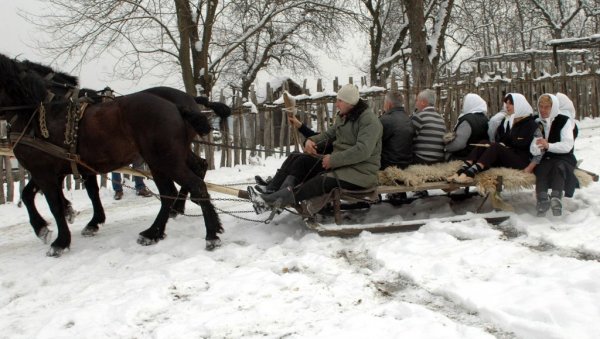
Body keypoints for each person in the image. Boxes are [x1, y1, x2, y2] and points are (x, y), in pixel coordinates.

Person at [248, 83, 383, 213]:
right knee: (303, 162)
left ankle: (272, 202)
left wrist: (334, 160)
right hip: (343, 165)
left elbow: (363, 150)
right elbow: (329, 134)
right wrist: (311, 140)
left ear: (350, 102)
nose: (337, 104)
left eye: (340, 101)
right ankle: (275, 195)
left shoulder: (369, 121)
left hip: (361, 172)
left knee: (318, 182)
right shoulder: (344, 117)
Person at [447, 93, 540, 184]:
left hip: (522, 162)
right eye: (506, 103)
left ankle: (470, 174)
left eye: (510, 103)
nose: (507, 106)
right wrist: (502, 144)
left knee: (495, 146)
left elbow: (539, 150)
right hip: (509, 158)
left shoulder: (532, 125)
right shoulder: (512, 122)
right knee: (484, 143)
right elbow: (505, 141)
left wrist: (530, 168)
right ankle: (460, 171)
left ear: (520, 105)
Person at [254, 113, 329, 194]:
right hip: (321, 158)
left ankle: (281, 190)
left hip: (327, 163)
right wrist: (299, 124)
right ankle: (273, 185)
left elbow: (328, 144)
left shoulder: (340, 133)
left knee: (302, 159)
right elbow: (316, 136)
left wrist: (317, 146)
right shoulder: (336, 130)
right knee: (294, 154)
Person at [531, 93, 578, 217]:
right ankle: (542, 199)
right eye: (541, 106)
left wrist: (549, 146)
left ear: (554, 107)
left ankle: (556, 197)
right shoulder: (537, 122)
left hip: (563, 156)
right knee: (541, 168)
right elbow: (534, 145)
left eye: (547, 107)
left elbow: (568, 145)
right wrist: (537, 147)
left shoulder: (563, 121)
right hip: (545, 157)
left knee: (559, 166)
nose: (543, 110)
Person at [444, 93, 489, 160]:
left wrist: (445, 147)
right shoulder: (486, 119)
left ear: (470, 103)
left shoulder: (467, 120)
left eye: (464, 102)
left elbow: (459, 144)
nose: (463, 105)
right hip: (481, 156)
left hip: (465, 156)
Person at [380, 90, 414, 169]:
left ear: (389, 104)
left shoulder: (385, 120)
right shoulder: (408, 119)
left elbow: (375, 143)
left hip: (389, 165)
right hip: (407, 164)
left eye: (384, 102)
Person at [411, 89, 447, 164]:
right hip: (439, 160)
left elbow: (409, 138)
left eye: (417, 100)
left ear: (423, 102)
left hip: (421, 159)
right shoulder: (441, 119)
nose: (416, 103)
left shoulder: (419, 116)